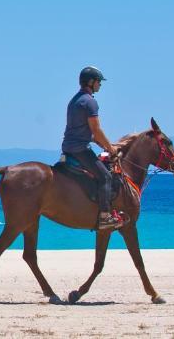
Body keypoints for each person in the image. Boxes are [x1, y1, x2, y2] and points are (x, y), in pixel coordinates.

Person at [61, 66, 123, 230]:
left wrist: (107, 146)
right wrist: (111, 148)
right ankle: (105, 217)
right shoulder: (90, 102)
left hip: (69, 147)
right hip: (80, 149)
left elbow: (92, 135)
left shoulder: (75, 100)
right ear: (91, 82)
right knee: (106, 177)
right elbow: (96, 130)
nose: (100, 85)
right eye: (98, 82)